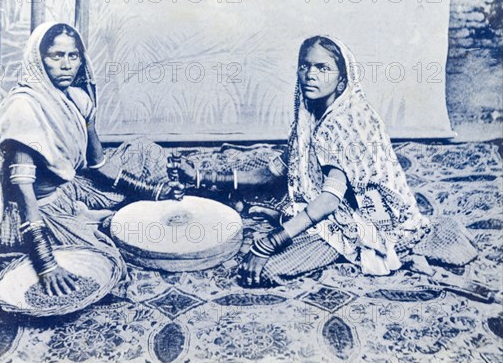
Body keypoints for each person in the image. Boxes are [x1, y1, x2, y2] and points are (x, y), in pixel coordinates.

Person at [179, 36, 436, 286]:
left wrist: (270, 242)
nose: (310, 74)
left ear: (341, 81)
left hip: (371, 218)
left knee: (264, 272)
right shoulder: (310, 116)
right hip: (332, 203)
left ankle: (290, 224)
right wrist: (203, 177)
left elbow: (329, 201)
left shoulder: (344, 122)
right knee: (253, 173)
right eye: (305, 65)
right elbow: (274, 171)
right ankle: (281, 215)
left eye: (323, 68)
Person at [0, 22, 180, 296]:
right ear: (38, 60)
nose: (66, 64)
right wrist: (46, 263)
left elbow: (98, 165)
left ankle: (91, 215)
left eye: (73, 55)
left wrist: (152, 191)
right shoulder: (23, 109)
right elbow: (24, 194)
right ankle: (84, 224)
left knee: (145, 151)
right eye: (56, 56)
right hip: (37, 210)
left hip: (69, 187)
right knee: (108, 262)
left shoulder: (77, 99)